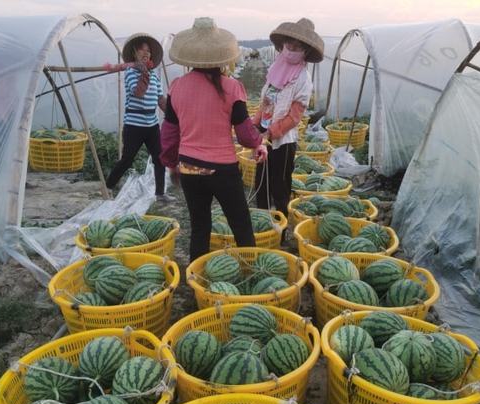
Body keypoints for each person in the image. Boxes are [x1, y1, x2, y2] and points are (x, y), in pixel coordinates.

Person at [160, 18, 267, 262]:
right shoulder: (232, 88)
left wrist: (170, 162)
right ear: (222, 57)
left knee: (199, 227)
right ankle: (251, 272)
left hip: (189, 167)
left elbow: (168, 134)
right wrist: (258, 143)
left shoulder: (177, 87)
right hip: (223, 171)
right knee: (240, 224)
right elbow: (244, 133)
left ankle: (196, 280)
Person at [252, 18, 324, 219]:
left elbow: (294, 117)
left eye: (297, 46)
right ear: (282, 44)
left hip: (282, 142)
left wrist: (271, 133)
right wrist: (256, 124)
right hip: (264, 138)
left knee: (279, 186)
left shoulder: (303, 79)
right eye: (289, 44)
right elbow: (266, 102)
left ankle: (280, 230)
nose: (291, 49)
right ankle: (263, 223)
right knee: (261, 183)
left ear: (305, 51)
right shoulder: (276, 68)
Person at [105, 33, 173, 201]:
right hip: (134, 126)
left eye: (148, 51)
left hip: (152, 125)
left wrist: (173, 115)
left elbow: (160, 99)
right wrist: (143, 73)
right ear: (135, 53)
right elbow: (138, 93)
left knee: (159, 158)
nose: (146, 53)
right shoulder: (130, 72)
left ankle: (160, 193)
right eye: (142, 50)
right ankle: (108, 187)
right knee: (127, 159)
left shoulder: (155, 76)